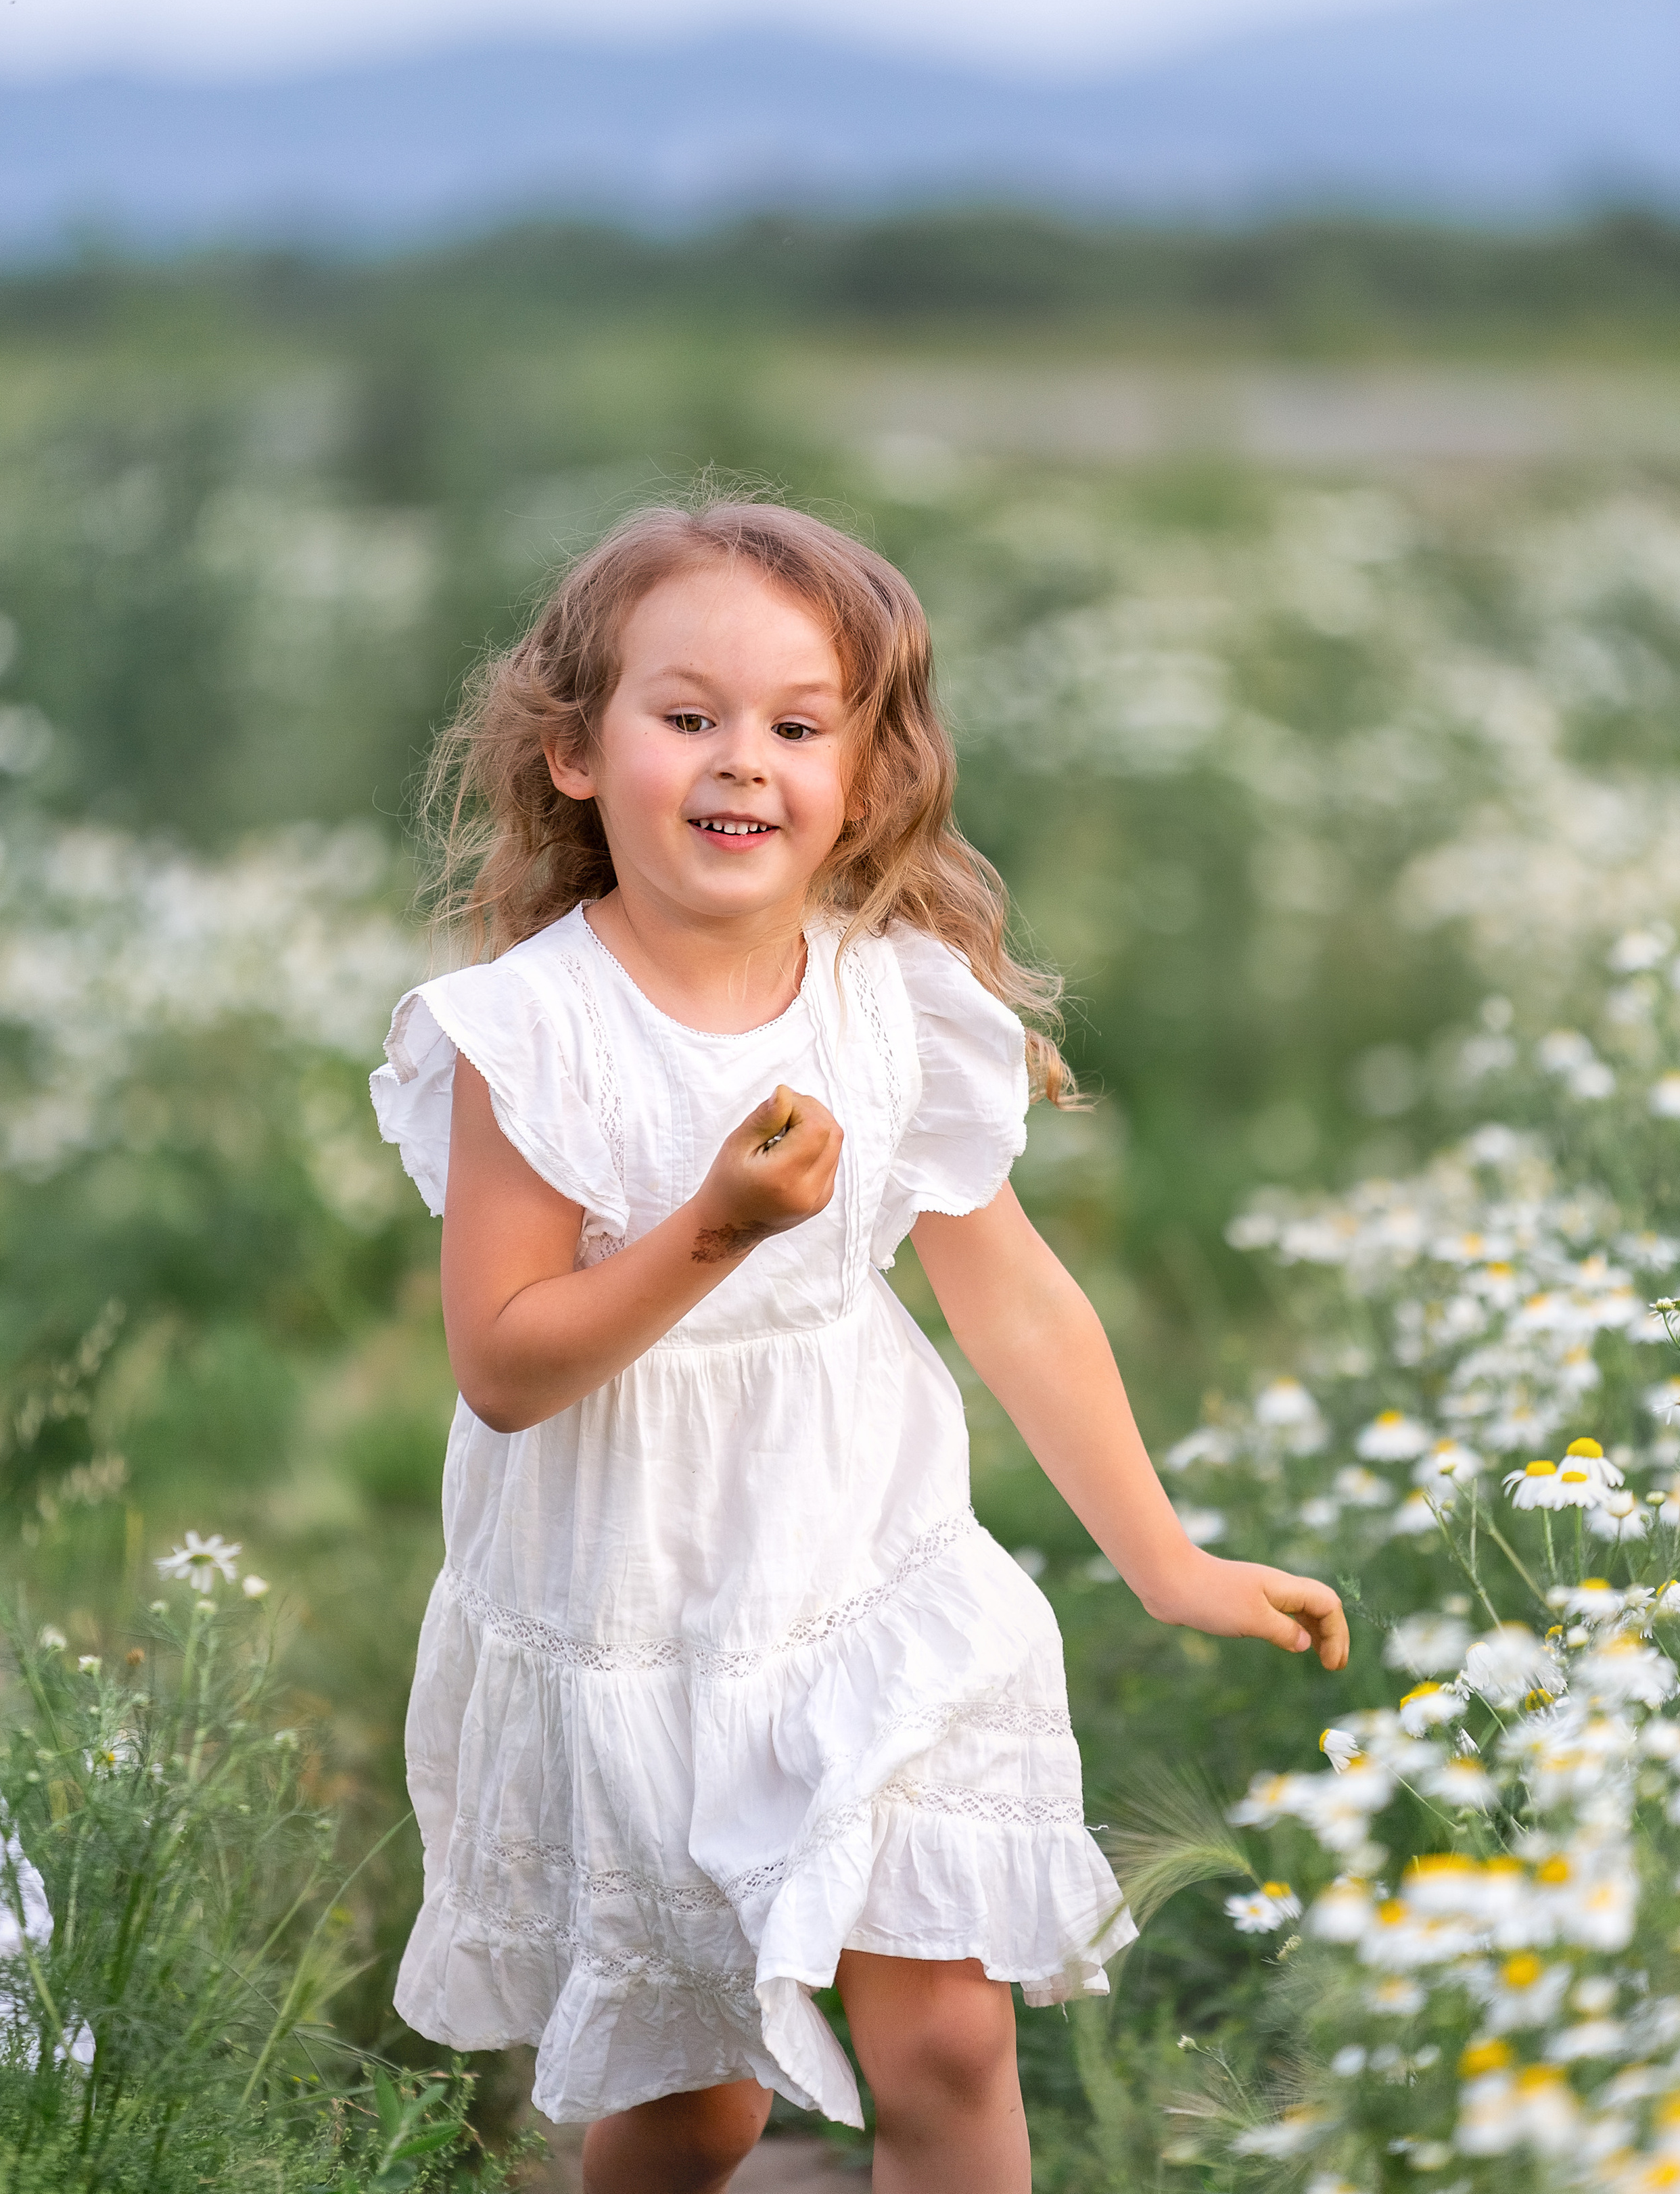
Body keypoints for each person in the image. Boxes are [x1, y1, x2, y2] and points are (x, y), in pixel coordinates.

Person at [371, 498, 1347, 2194]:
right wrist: (714, 1232)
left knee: (952, 2040)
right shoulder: (522, 1035)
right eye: (687, 718)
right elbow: (507, 1366)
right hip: (637, 1600)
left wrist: (1167, 1561)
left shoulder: (889, 999)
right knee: (694, 2107)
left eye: (795, 726)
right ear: (575, 756)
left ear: (867, 775)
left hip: (874, 1571)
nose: (741, 761)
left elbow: (1012, 1296)